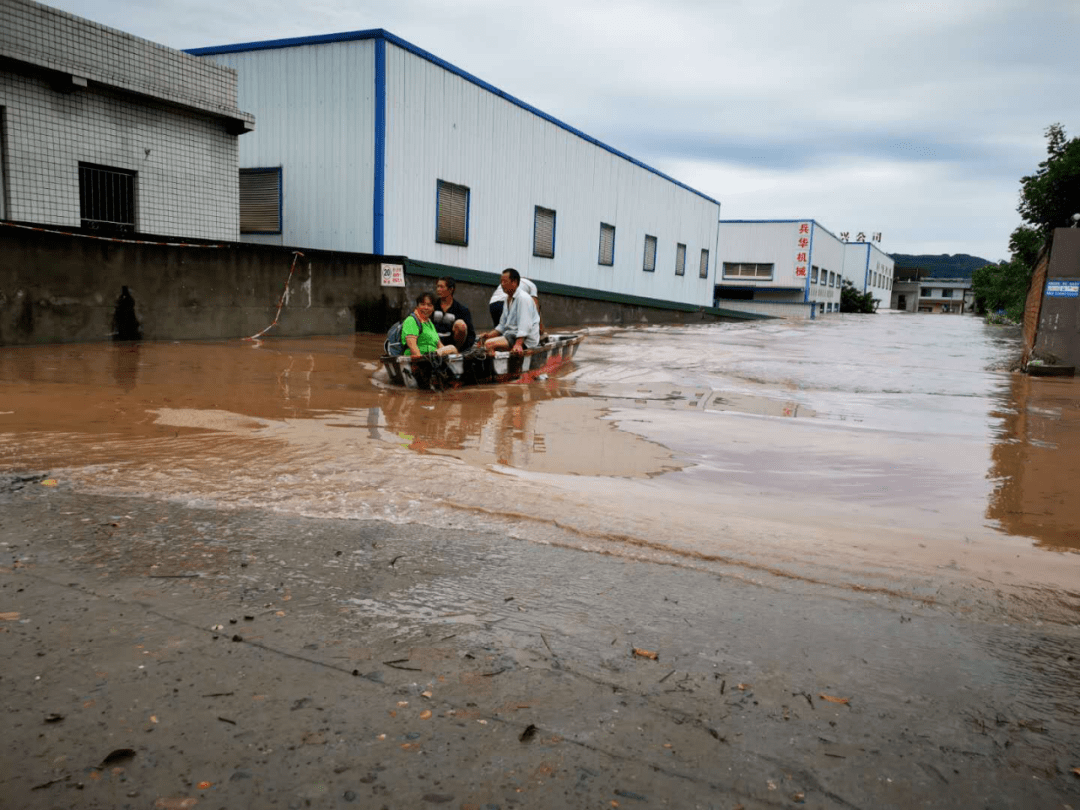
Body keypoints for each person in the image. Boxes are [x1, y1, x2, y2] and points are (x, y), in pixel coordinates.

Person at [476, 268, 541, 356]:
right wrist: (489, 335)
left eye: (504, 282)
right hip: (511, 335)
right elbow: (502, 325)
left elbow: (525, 325)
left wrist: (518, 344)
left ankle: (497, 366)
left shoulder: (523, 298)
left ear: (514, 282)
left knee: (489, 344)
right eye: (501, 282)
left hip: (526, 340)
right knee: (483, 343)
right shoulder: (508, 299)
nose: (502, 285)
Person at [402, 292, 458, 357]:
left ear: (433, 308)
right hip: (420, 361)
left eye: (429, 305)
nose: (426, 308)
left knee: (452, 350)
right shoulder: (411, 321)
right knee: (451, 348)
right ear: (417, 306)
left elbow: (440, 346)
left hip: (433, 360)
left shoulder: (429, 323)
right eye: (423, 304)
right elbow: (413, 349)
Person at [432, 277, 474, 351]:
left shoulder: (462, 310)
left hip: (453, 347)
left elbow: (471, 335)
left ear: (451, 289)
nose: (438, 289)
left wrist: (464, 350)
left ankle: (456, 351)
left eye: (441, 287)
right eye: (437, 286)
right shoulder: (432, 306)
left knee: (460, 324)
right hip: (434, 343)